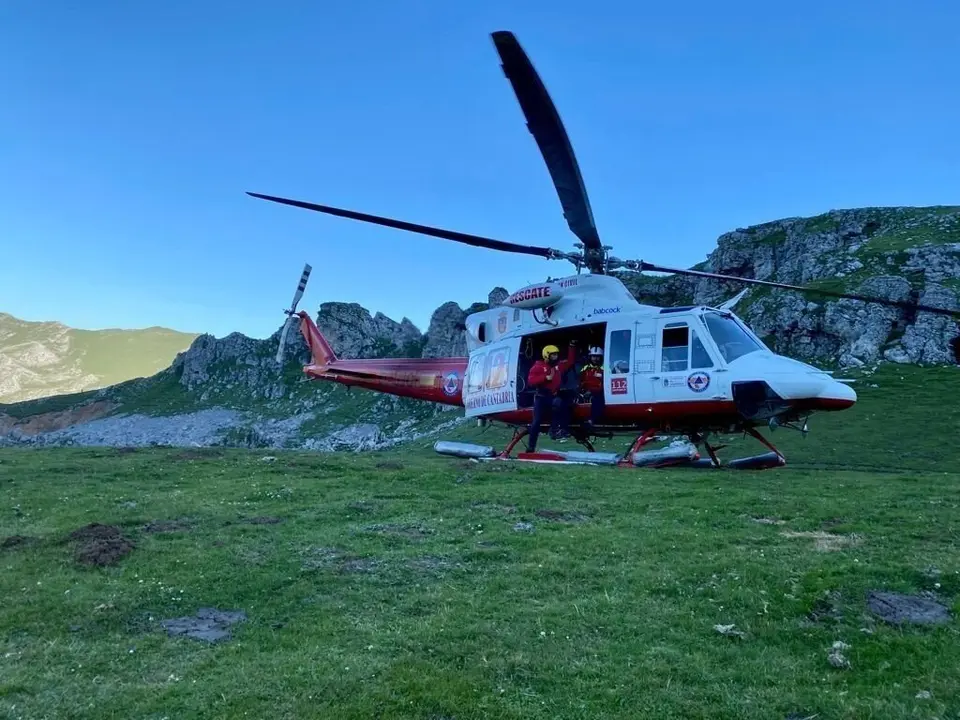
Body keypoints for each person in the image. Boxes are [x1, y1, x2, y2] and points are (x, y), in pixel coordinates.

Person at [525, 341, 577, 452]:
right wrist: (545, 378)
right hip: (541, 397)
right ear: (546, 355)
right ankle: (531, 447)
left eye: (556, 355)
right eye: (553, 355)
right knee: (536, 422)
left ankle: (556, 430)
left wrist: (571, 347)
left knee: (561, 403)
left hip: (552, 396)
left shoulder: (558, 366)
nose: (555, 357)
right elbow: (531, 381)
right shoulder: (538, 366)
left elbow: (570, 362)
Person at [579, 346, 605, 431]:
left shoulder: (605, 369)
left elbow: (605, 384)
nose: (595, 359)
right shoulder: (585, 368)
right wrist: (582, 391)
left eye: (597, 357)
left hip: (599, 392)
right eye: (593, 356)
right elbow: (580, 381)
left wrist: (592, 391)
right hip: (585, 392)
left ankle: (591, 421)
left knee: (598, 400)